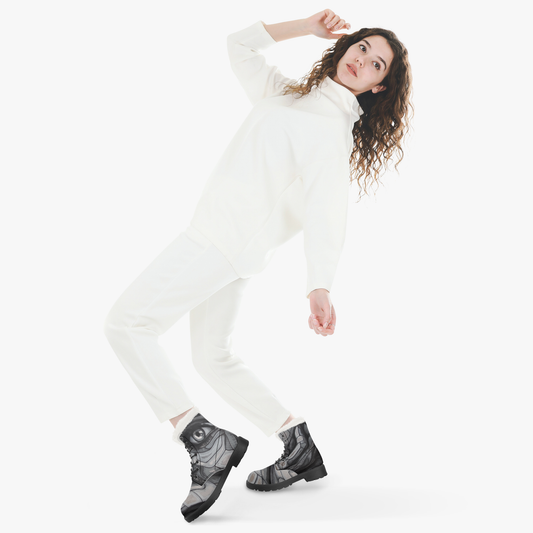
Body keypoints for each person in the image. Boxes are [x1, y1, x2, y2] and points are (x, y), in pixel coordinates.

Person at [103, 8, 413, 523]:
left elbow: (327, 215)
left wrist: (319, 285)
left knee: (125, 324)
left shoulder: (331, 130)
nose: (363, 60)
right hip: (231, 247)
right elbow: (238, 46)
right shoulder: (292, 95)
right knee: (212, 357)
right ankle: (297, 443)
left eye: (377, 64)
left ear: (378, 87)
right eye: (362, 47)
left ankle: (201, 440)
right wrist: (305, 27)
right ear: (344, 47)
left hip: (218, 242)